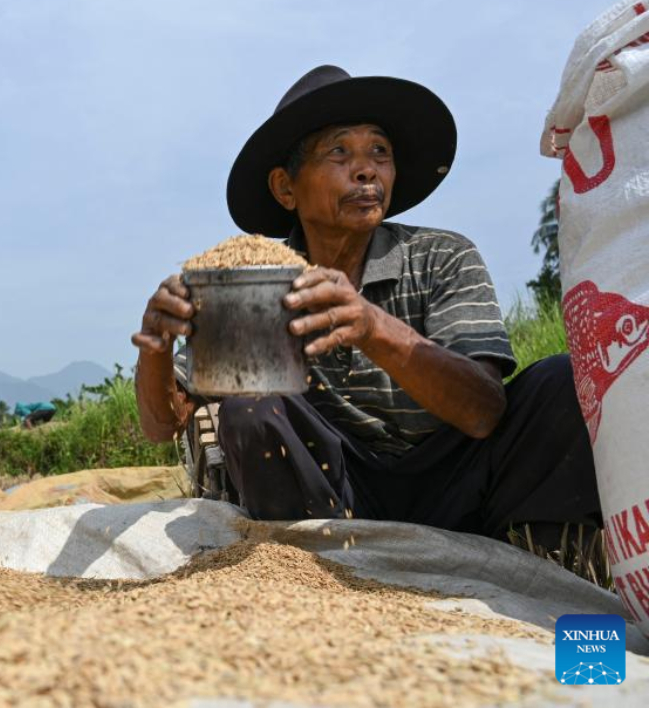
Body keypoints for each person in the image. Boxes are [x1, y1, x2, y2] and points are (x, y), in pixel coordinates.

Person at [132, 65, 600, 552]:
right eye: (339, 152)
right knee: (246, 407)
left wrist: (371, 326)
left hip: (462, 486)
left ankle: (553, 564)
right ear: (285, 188)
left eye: (380, 152)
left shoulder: (441, 257)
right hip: (335, 500)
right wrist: (156, 349)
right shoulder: (260, 284)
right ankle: (308, 567)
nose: (367, 170)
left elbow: (483, 412)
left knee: (560, 383)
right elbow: (162, 425)